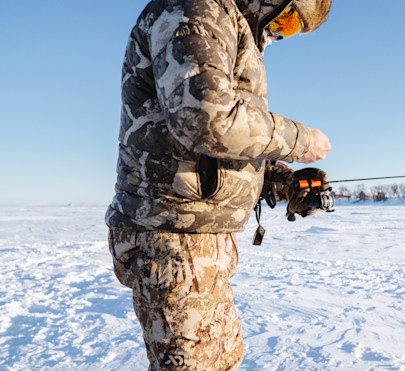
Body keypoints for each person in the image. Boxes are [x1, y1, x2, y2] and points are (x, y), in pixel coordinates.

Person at [105, 0, 331, 369]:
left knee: (225, 359)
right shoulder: (194, 9)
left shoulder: (228, 23)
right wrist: (299, 140)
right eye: (287, 18)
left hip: (202, 239)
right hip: (172, 236)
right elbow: (205, 116)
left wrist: (282, 181)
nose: (278, 34)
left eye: (290, 30)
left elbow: (215, 153)